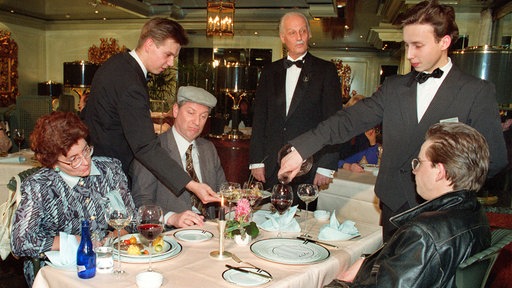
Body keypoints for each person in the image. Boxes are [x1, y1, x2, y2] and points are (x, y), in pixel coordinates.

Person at [278, 0, 507, 241]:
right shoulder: (395, 87)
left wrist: (446, 185)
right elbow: (348, 120)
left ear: (444, 42)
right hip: (393, 206)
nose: (409, 55)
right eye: (407, 45)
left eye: (418, 45)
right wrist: (302, 149)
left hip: (443, 214)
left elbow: (494, 159)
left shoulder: (476, 92)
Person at [325, 122, 491, 287]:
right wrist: (368, 267)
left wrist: (341, 282)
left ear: (439, 172)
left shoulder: (423, 235)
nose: (414, 170)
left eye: (419, 162)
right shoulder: (476, 214)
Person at [81, 17, 218, 206]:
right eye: (168, 55)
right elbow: (145, 147)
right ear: (149, 44)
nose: (171, 63)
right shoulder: (131, 83)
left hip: (95, 165)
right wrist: (192, 185)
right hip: (107, 177)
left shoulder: (117, 64)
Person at [10, 112, 135, 285]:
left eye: (85, 150)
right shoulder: (39, 186)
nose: (85, 162)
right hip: (59, 268)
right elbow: (20, 242)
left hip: (108, 259)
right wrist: (72, 242)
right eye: (73, 159)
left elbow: (132, 220)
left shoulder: (110, 170)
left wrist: (110, 239)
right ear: (53, 162)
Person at [249, 11, 343, 208]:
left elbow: (334, 122)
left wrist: (325, 166)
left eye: (302, 31)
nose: (299, 37)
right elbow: (260, 119)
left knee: (302, 224)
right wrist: (257, 161)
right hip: (271, 165)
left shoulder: (326, 71)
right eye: (292, 33)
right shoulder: (269, 72)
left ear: (309, 34)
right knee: (268, 219)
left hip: (308, 164)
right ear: (283, 38)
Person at [131, 86, 226, 228]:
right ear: (175, 110)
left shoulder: (208, 149)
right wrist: (171, 218)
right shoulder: (152, 150)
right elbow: (141, 203)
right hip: (168, 235)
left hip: (209, 233)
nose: (197, 122)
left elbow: (223, 190)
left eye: (203, 116)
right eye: (191, 113)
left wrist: (232, 207)